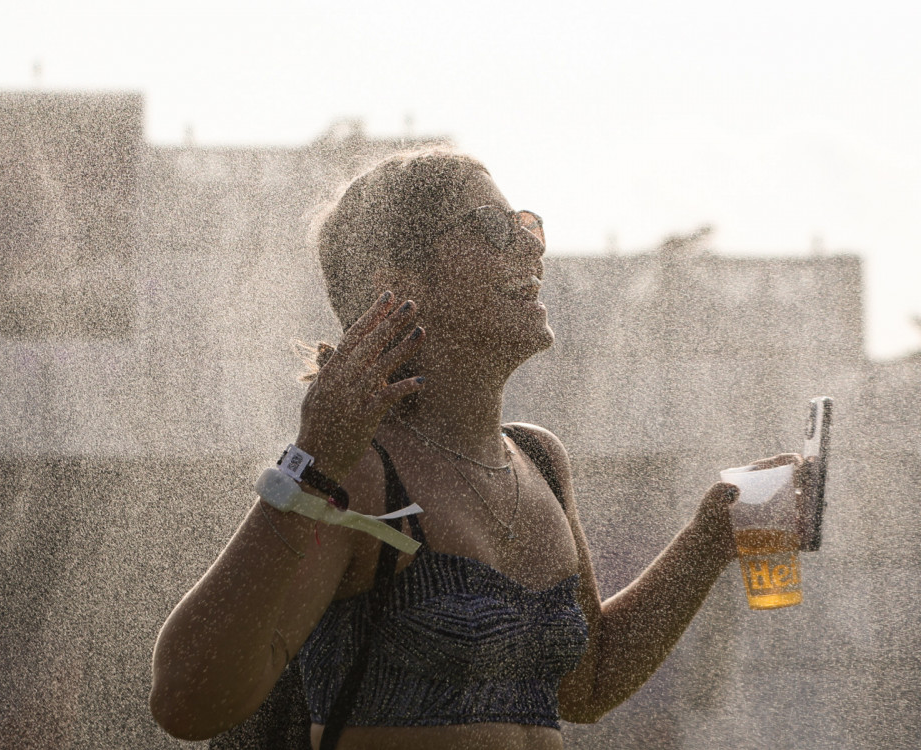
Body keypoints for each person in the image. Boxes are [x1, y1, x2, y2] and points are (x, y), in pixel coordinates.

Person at [149, 149, 799, 749]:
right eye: (493, 227)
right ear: (399, 282)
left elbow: (586, 686)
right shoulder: (362, 474)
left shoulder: (540, 461)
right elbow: (187, 701)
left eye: (528, 224)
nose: (531, 245)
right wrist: (311, 464)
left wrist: (712, 533)